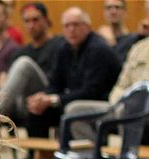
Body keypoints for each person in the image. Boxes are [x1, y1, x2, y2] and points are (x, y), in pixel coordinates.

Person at [64, 0, 149, 140]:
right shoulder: (138, 47)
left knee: (126, 111)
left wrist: (132, 101)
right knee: (74, 111)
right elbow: (122, 83)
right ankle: (96, 158)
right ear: (148, 14)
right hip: (122, 104)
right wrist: (118, 101)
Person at [24, 6, 120, 138]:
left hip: (100, 103)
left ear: (87, 26)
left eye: (76, 25)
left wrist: (52, 99)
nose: (71, 30)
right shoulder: (64, 48)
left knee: (71, 110)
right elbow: (55, 84)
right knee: (37, 110)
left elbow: (91, 92)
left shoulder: (98, 49)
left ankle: (85, 156)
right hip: (73, 99)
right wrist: (42, 96)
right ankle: (37, 157)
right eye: (67, 26)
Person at [0, 2, 64, 124]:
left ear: (46, 20)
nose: (31, 25)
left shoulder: (60, 45)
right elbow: (10, 87)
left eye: (35, 20)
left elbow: (61, 81)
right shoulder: (21, 51)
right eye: (27, 21)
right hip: (22, 102)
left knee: (24, 64)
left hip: (48, 96)